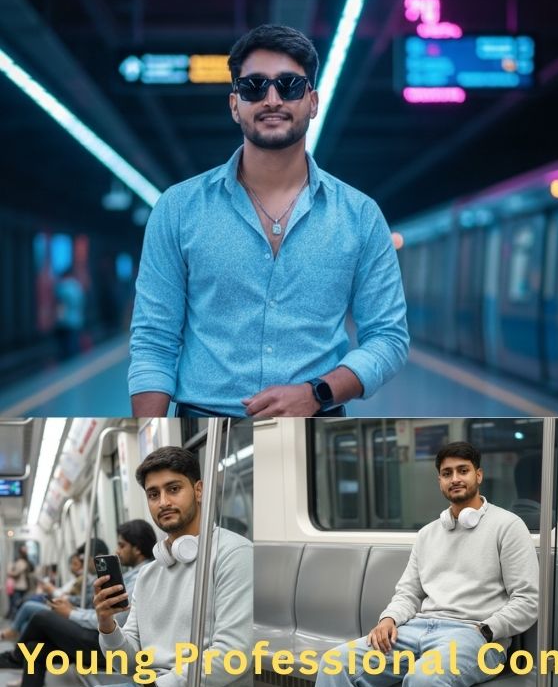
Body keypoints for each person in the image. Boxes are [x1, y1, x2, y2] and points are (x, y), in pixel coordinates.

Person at [128, 24, 408, 419]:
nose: (272, 99)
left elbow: (388, 338)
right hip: (202, 426)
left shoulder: (361, 216)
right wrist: (152, 446)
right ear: (234, 104)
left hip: (318, 421)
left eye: (290, 86)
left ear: (312, 101)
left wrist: (317, 394)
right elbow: (154, 342)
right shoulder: (178, 208)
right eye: (254, 87)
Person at [12, 447, 253, 687]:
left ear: (199, 490)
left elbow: (231, 655)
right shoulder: (152, 572)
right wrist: (107, 625)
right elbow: (130, 665)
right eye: (154, 494)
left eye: (174, 489)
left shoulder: (234, 555)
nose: (163, 501)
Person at [310, 442, 538, 687]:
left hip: (475, 636)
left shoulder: (508, 526)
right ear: (439, 481)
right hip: (417, 630)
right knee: (334, 665)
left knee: (425, 679)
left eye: (463, 470)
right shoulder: (429, 534)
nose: (455, 478)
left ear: (479, 475)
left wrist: (487, 630)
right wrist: (389, 619)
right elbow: (409, 593)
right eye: (447, 473)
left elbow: (527, 600)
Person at [0, 524, 154, 687]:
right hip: (98, 637)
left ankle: (15, 657)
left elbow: (116, 617)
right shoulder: (127, 574)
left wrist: (71, 614)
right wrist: (74, 608)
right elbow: (102, 610)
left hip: (112, 645)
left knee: (41, 617)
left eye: (122, 545)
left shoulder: (142, 576)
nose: (117, 551)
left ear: (137, 549)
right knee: (36, 648)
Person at [1, 548, 97, 642]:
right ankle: (19, 647)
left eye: (75, 564)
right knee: (26, 621)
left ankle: (14, 634)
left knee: (28, 606)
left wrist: (70, 609)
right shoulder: (79, 580)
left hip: (71, 609)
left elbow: (84, 602)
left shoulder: (84, 580)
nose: (72, 567)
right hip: (70, 607)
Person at [6, 545, 34, 616]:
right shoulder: (21, 561)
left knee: (17, 603)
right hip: (20, 586)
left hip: (21, 586)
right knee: (17, 603)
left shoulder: (24, 562)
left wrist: (10, 572)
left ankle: (16, 619)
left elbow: (16, 574)